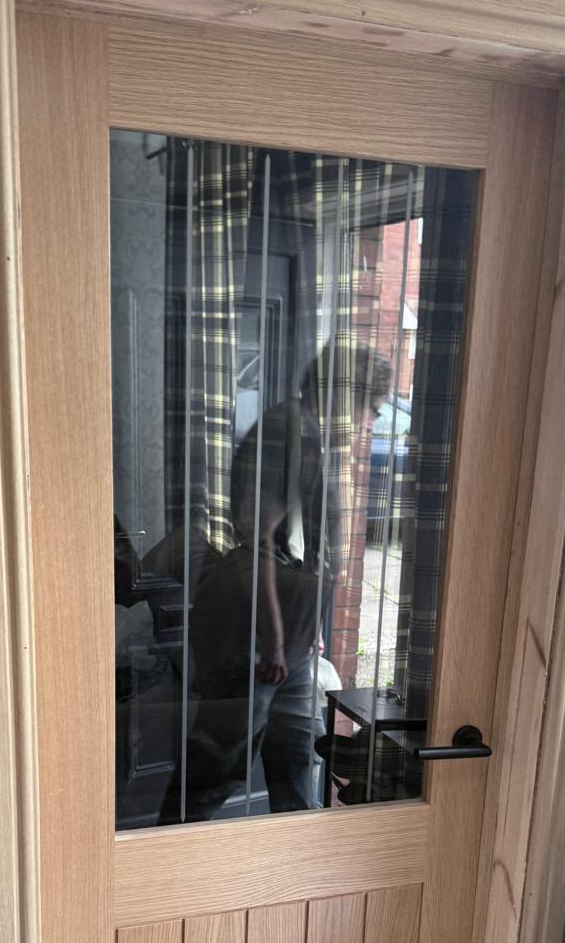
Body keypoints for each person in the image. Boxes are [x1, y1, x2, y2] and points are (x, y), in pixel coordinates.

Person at [162, 342, 392, 821]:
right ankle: (164, 858)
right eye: (372, 408)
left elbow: (301, 549)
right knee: (216, 765)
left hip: (287, 638)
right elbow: (260, 543)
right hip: (254, 639)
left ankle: (299, 858)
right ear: (346, 393)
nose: (371, 422)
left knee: (296, 759)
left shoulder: (309, 434)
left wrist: (305, 628)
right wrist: (274, 638)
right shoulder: (289, 432)